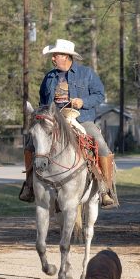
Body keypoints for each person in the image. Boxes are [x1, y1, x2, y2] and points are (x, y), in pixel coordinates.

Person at [19, 39, 118, 208]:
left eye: (55, 55)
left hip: (81, 118)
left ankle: (105, 189)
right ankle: (29, 185)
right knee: (30, 145)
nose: (52, 58)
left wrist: (83, 101)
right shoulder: (49, 77)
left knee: (100, 144)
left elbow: (99, 95)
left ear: (66, 56)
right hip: (54, 121)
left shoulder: (86, 73)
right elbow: (43, 102)